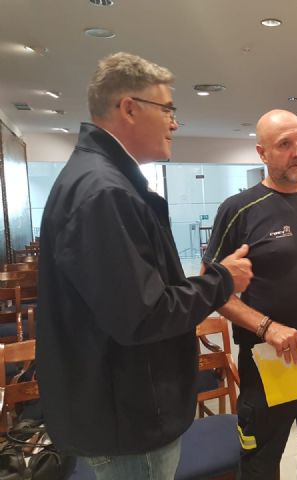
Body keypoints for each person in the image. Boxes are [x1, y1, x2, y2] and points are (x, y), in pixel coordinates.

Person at [36, 52, 255, 480]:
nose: (175, 123)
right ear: (129, 108)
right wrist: (223, 280)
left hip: (120, 406)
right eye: (168, 109)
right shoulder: (104, 191)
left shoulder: (101, 179)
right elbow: (144, 313)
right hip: (128, 418)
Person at [202, 109, 297, 480]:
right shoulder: (239, 209)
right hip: (267, 358)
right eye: (285, 144)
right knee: (261, 462)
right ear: (262, 153)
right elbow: (211, 288)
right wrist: (267, 327)